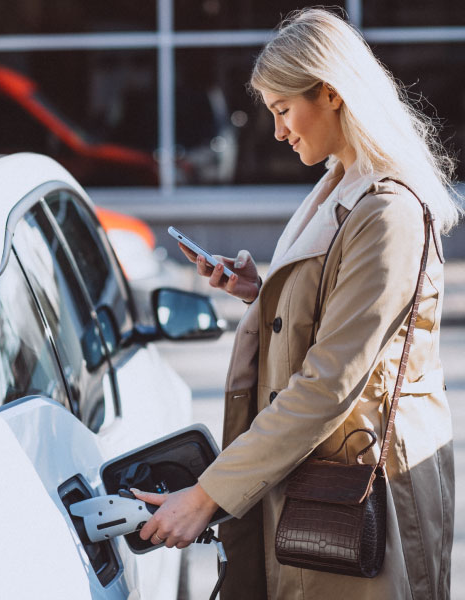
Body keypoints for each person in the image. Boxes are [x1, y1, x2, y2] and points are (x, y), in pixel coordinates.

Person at [132, 8, 460, 599]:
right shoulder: (341, 182)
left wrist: (207, 496)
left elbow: (330, 382)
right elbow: (341, 315)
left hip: (359, 487)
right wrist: (263, 292)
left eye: (284, 110)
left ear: (331, 94)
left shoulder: (388, 211)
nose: (279, 131)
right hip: (322, 475)